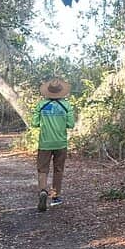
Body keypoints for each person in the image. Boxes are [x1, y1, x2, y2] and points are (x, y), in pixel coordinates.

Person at [31, 77, 76, 212]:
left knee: (42, 169)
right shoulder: (66, 105)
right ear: (61, 92)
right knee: (58, 170)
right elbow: (70, 124)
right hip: (61, 143)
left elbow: (34, 123)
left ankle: (43, 191)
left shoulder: (41, 105)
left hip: (45, 143)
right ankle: (55, 197)